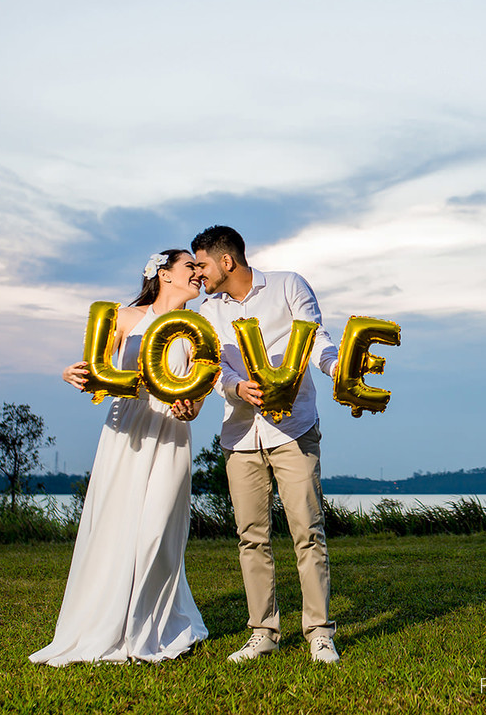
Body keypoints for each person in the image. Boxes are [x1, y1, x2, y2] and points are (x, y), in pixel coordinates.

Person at [30, 249, 209, 666]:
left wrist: (190, 408)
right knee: (118, 523)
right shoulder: (126, 319)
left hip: (171, 433)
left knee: (158, 529)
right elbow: (98, 367)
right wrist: (68, 373)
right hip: (126, 429)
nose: (199, 274)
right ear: (164, 274)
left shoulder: (199, 329)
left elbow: (197, 396)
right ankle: (106, 622)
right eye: (191, 268)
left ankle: (154, 623)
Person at [189, 225, 341, 664]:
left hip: (294, 429)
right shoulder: (209, 309)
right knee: (250, 538)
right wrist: (237, 389)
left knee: (307, 532)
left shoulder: (289, 285)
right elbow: (213, 364)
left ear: (226, 261)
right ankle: (264, 631)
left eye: (201, 263)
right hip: (240, 436)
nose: (198, 273)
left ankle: (319, 632)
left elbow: (315, 338)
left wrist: (336, 368)